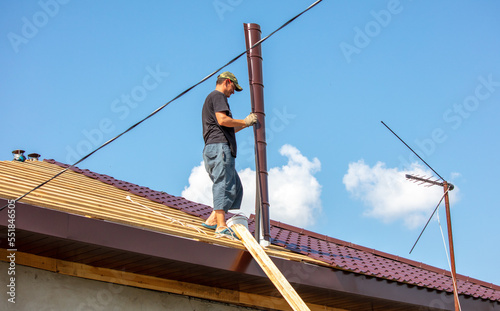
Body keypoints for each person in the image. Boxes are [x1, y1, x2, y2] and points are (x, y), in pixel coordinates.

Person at [201, 71, 257, 239]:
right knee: (224, 184)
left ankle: (212, 219)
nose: (233, 93)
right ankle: (220, 225)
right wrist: (245, 121)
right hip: (219, 149)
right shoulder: (218, 96)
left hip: (215, 148)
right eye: (233, 88)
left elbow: (228, 128)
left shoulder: (213, 98)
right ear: (226, 82)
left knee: (234, 187)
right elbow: (223, 121)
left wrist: (246, 124)